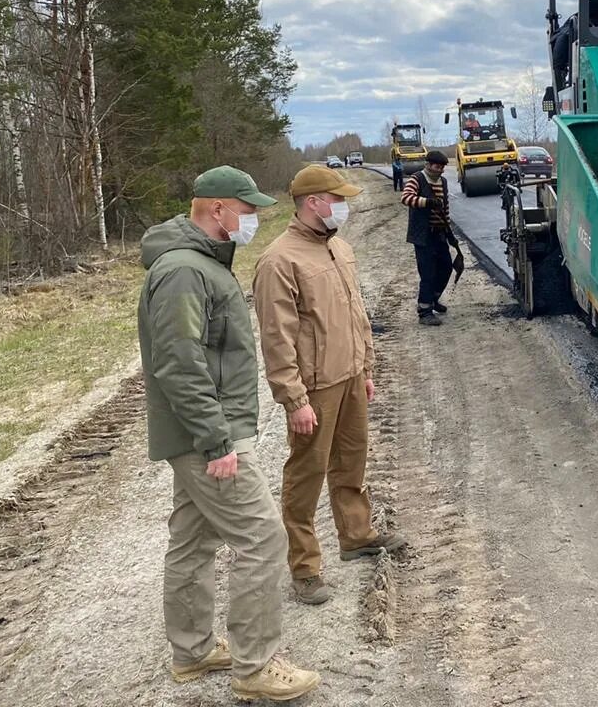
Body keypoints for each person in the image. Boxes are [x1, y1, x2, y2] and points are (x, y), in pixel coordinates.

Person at [137, 165, 319, 702]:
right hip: (206, 437)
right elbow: (178, 362)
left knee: (192, 539)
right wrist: (217, 440)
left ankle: (192, 652)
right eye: (249, 209)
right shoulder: (183, 271)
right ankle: (255, 666)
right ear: (218, 209)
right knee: (262, 538)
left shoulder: (203, 263)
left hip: (203, 431)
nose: (257, 218)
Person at [252, 163, 407, 606]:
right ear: (314, 203)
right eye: (337, 199)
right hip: (315, 388)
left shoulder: (338, 248)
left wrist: (366, 368)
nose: (344, 206)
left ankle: (356, 536)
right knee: (306, 475)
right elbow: (276, 338)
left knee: (352, 462)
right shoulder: (279, 260)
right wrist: (294, 399)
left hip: (351, 377)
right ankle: (304, 568)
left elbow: (357, 315)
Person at [401, 150, 453, 326]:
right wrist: (427, 202)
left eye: (442, 167)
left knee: (446, 267)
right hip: (423, 235)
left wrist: (448, 231)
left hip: (439, 233)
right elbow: (406, 198)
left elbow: (445, 207)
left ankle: (433, 298)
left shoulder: (443, 181)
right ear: (428, 165)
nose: (440, 170)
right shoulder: (417, 179)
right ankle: (424, 311)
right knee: (428, 272)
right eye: (437, 166)